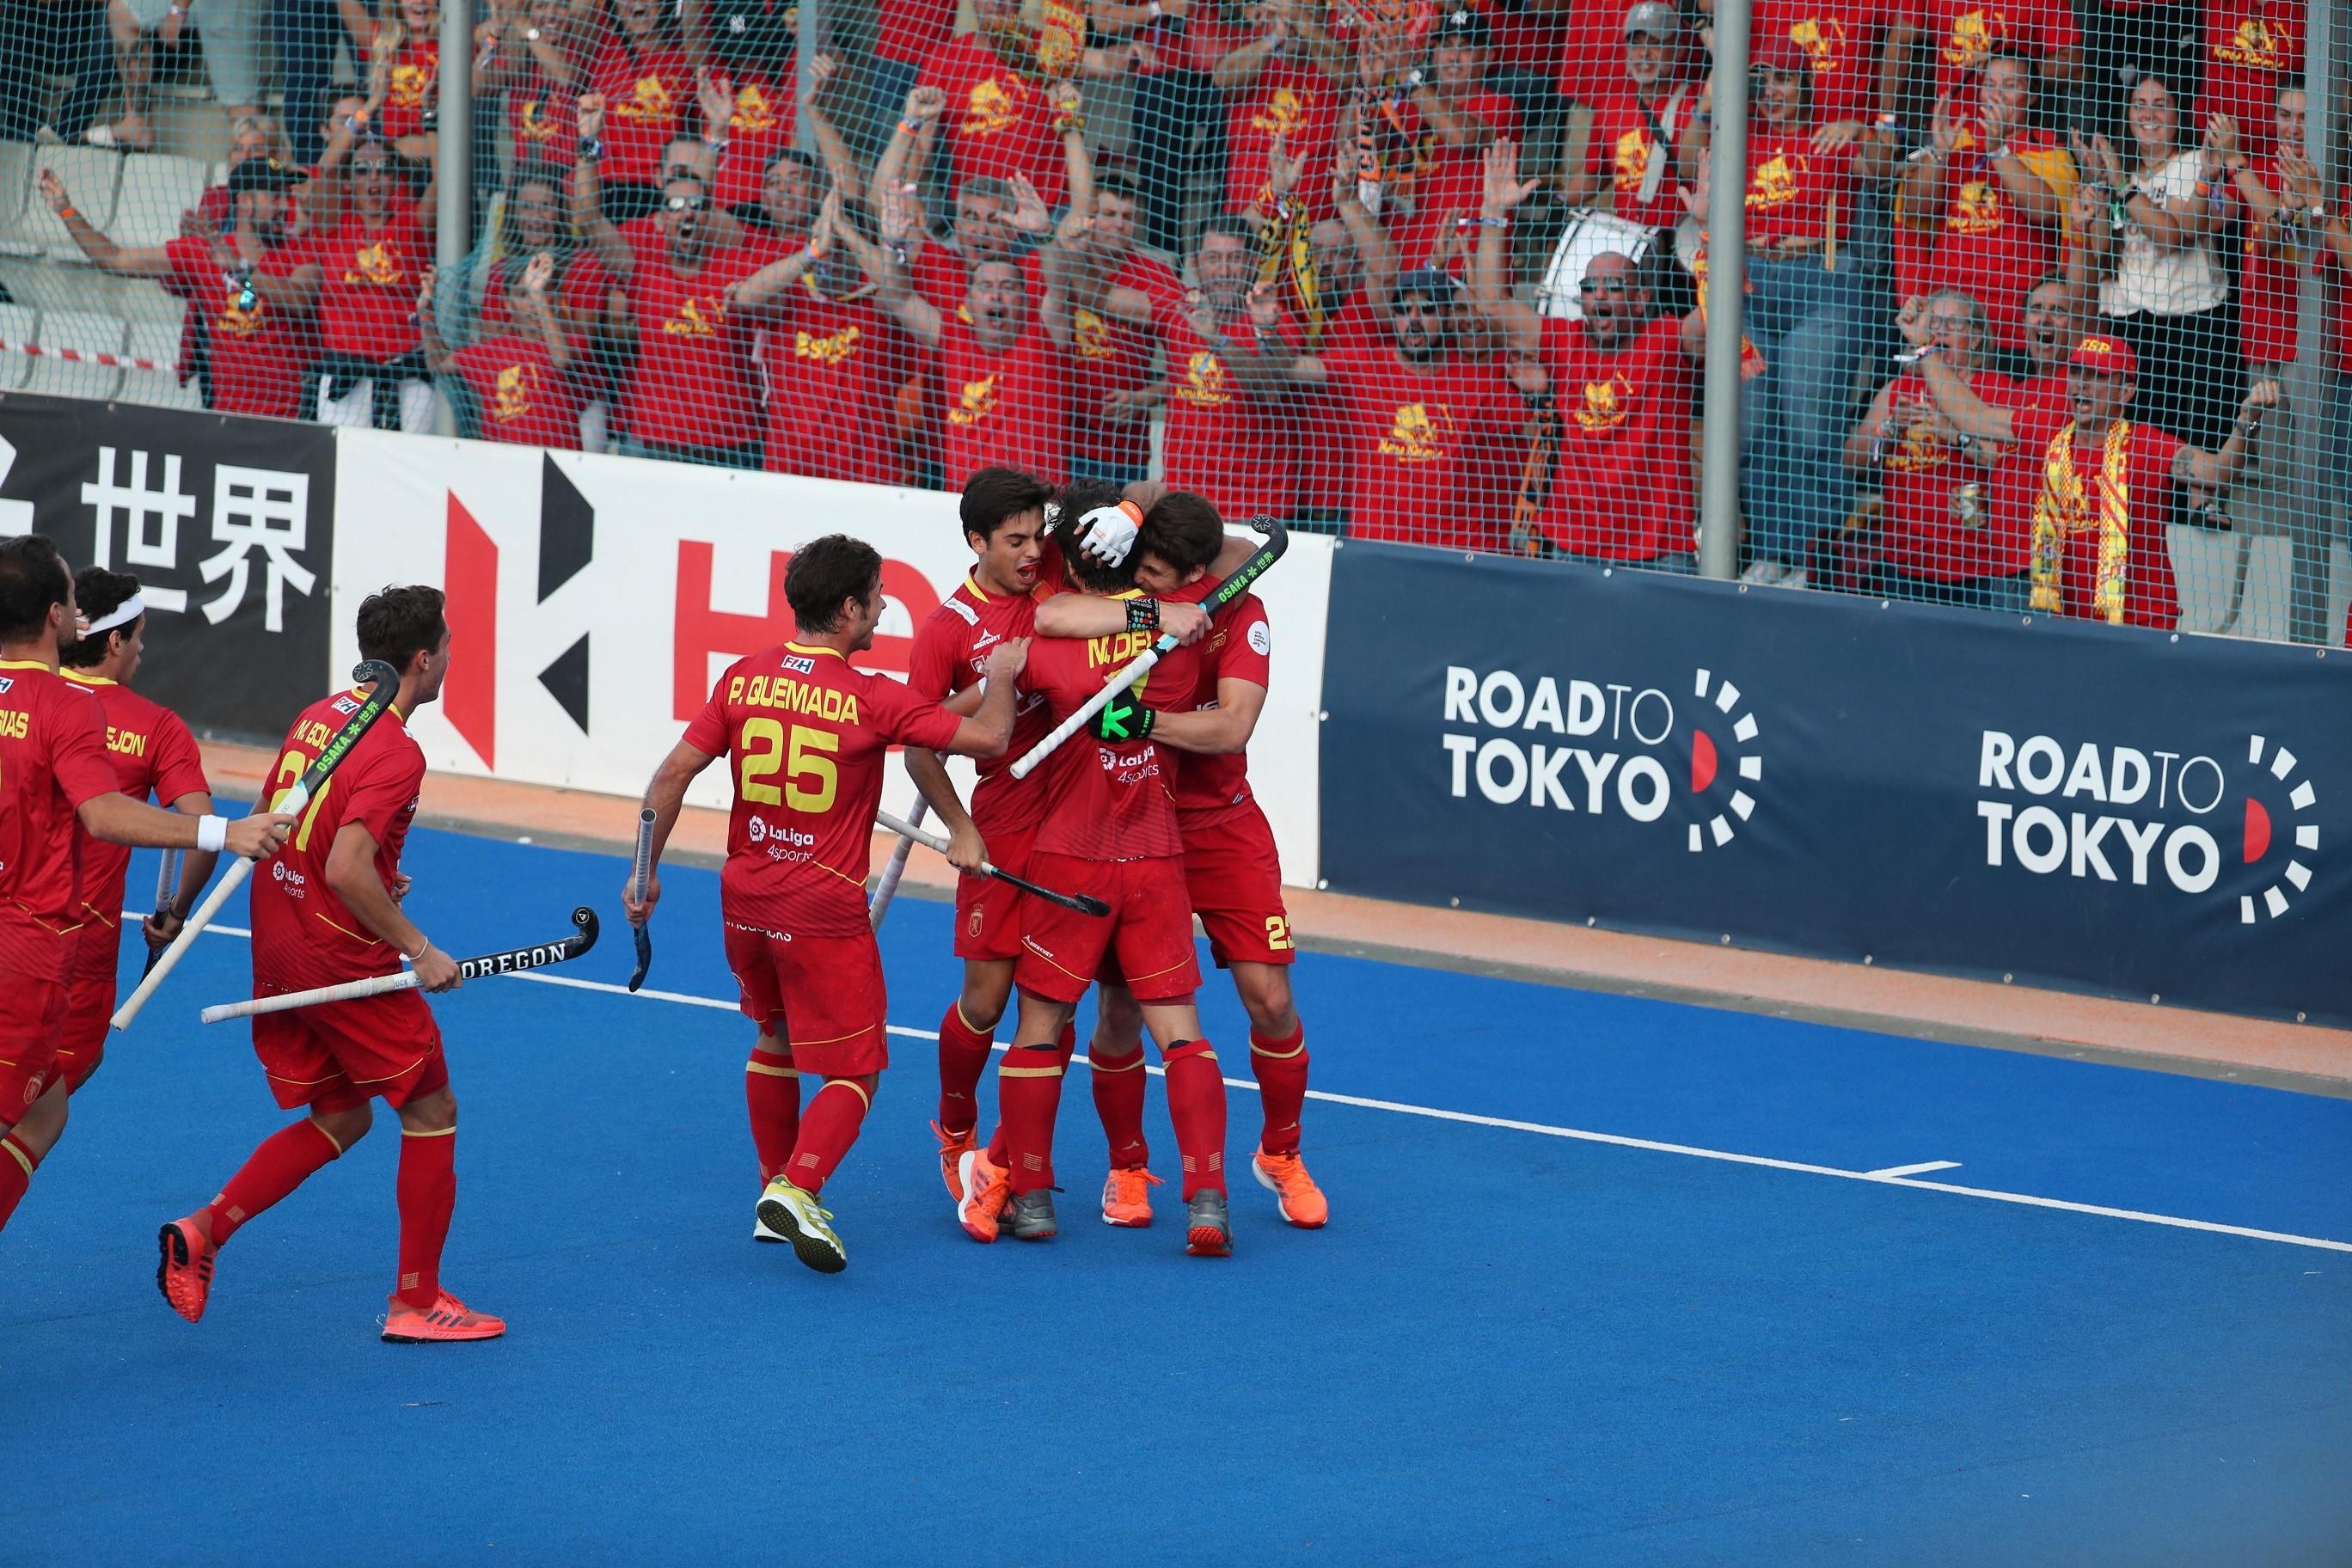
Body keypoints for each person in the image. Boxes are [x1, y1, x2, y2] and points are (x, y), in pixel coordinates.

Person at [627, 536, 1026, 1272]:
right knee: (858, 1070)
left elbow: (671, 777)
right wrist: (1002, 672)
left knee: (773, 1040)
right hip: (822, 911)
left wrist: (645, 871)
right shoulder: (870, 695)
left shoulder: (744, 678)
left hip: (744, 899)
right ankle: (799, 1188)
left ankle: (772, 1196)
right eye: (876, 599)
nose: (881, 610)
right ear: (848, 610)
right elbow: (993, 740)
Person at [153, 587, 498, 1339]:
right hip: (338, 957)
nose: (447, 663)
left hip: (277, 940)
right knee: (432, 1109)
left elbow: (302, 824)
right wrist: (418, 945)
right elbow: (345, 867)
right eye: (445, 649)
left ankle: (206, 1229)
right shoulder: (397, 749)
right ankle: (416, 1303)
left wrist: (379, 872)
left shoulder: (322, 715)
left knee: (343, 1115)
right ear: (422, 659)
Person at [1032, 493, 1326, 1228]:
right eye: (1145, 569)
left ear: (1195, 570)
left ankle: (1281, 1153)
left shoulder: (1238, 609)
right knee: (1121, 1010)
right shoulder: (1136, 595)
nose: (1150, 582)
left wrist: (1148, 721)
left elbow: (1231, 728)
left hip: (1221, 825)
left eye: (1165, 576)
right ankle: (1129, 1168)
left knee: (1271, 999)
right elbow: (1055, 615)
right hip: (1135, 825)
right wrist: (1133, 514)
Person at [953, 501, 1235, 1257]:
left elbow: (1023, 655)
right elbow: (1227, 561)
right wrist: (1167, 600)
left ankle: (1036, 1198)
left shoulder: (1046, 645)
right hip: (1154, 860)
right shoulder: (1176, 641)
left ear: (1070, 568)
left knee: (1040, 1030)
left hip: (1069, 860)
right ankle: (1207, 1195)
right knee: (1182, 1036)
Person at [1, 537, 291, 1239]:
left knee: (47, 1109)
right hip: (32, 949)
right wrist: (224, 835)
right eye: (69, 598)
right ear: (54, 617)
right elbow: (101, 814)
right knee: (33, 1107)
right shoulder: (67, 707)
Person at [1686, 35, 1898, 585]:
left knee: (1807, 421)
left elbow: (1884, 169)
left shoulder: (1829, 133)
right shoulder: (1739, 133)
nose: (1771, 91)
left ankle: (1811, 554)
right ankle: (1773, 550)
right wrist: (1708, 101)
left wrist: (1862, 131)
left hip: (1820, 278)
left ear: (1804, 84)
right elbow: (1687, 161)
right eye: (1760, 81)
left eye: (1783, 78)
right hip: (1749, 281)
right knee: (1751, 424)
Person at [1911, 331, 2278, 628]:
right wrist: (1926, 348)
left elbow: (2217, 472)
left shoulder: (2146, 443)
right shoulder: (2048, 429)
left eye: (2097, 376)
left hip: (2141, 621)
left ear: (2125, 391)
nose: (2081, 385)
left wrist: (2246, 424)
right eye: (2076, 373)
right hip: (2065, 620)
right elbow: (1971, 416)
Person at [1477, 139, 1704, 567]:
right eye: (1588, 287)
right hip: (1572, 547)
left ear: (1641, 301)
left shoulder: (1667, 341)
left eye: (1613, 287)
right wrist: (1494, 214)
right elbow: (1491, 307)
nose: (1598, 295)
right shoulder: (1565, 341)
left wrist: (1710, 230)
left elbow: (1720, 310)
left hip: (1657, 554)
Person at [55, 568, 220, 1099]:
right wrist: (174, 915)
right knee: (46, 1097)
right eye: (140, 634)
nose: (143, 649)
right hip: (79, 938)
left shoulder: (23, 694)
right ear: (116, 640)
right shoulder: (157, 727)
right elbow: (204, 832)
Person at [1240, 266, 1522, 551]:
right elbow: (1294, 368)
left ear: (1448, 317)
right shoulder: (1369, 366)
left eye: (1426, 308)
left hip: (1454, 549)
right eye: (1403, 308)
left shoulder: (1476, 381)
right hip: (1376, 544)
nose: (1412, 320)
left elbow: (1532, 429)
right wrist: (1267, 330)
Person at [573, 89, 767, 468]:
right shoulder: (642, 271)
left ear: (709, 216)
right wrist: (588, 143)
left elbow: (705, 200)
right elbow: (590, 219)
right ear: (661, 219)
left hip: (733, 445)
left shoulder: (737, 266)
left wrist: (717, 132)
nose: (685, 214)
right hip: (652, 442)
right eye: (674, 207)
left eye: (695, 208)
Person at [40, 158, 317, 422]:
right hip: (226, 420)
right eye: (275, 196)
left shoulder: (302, 250)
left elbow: (298, 299)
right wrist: (65, 209)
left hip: (292, 424)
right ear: (245, 202)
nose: (285, 205)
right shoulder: (203, 252)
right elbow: (114, 258)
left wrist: (239, 268)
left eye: (287, 195)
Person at [2075, 74, 2239, 451]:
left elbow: (2174, 237)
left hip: (2195, 318)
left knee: (2202, 440)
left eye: (2161, 104)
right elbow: (2100, 249)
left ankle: (2198, 512)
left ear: (2179, 114)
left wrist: (2122, 187)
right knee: (2140, 443)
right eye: (2140, 105)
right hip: (2130, 320)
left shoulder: (2198, 163)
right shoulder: (2119, 172)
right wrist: (2099, 185)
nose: (2149, 114)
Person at [1848, 291, 2031, 608]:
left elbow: (2001, 459)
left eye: (1953, 324)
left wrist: (1955, 434)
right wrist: (1889, 429)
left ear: (1975, 339)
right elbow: (1852, 461)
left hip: (1979, 565)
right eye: (1934, 323)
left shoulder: (1998, 387)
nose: (1941, 331)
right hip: (1906, 562)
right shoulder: (1898, 390)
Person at [726, 192, 911, 486]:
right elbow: (746, 298)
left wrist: (845, 230)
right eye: (824, 241)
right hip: (790, 472)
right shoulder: (791, 298)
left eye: (841, 244)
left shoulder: (878, 303)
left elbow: (899, 292)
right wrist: (813, 251)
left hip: (866, 474)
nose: (831, 253)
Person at [1898, 53, 2073, 351]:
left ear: (2031, 97)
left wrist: (1998, 151)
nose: (1997, 95)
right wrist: (1939, 153)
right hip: (1947, 321)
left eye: (2010, 85)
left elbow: (2046, 212)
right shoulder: (1957, 142)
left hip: (2015, 326)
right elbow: (1914, 209)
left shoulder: (2048, 149)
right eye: (1989, 84)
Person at [287, 121, 441, 432]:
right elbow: (326, 166)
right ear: (349, 181)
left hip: (408, 376)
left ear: (396, 179)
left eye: (383, 170)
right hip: (347, 375)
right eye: (361, 170)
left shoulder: (412, 225)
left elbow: (443, 180)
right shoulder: (334, 225)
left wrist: (430, 121)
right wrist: (362, 115)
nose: (373, 179)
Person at [420, 252, 586, 448]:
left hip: (556, 464)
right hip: (503, 465)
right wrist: (425, 314)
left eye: (542, 291)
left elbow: (562, 360)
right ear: (507, 304)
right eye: (523, 294)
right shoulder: (491, 351)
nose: (532, 302)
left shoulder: (566, 337)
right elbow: (438, 363)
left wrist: (538, 294)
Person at [1562, 2, 1700, 232]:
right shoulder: (1610, 108)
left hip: (1682, 240)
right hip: (1628, 239)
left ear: (1679, 48)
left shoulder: (1698, 104)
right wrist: (1558, 203)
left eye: (1655, 44)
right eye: (1635, 43)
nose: (1643, 53)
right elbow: (1594, 174)